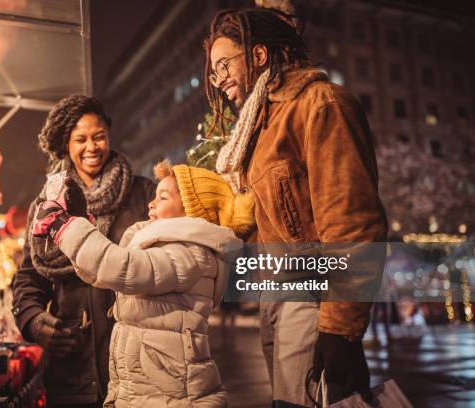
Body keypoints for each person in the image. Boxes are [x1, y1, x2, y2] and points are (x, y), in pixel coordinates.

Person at [204, 8, 388, 406]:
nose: (219, 81)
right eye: (213, 72)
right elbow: (270, 225)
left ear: (258, 55)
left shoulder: (320, 104)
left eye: (224, 65)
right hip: (276, 296)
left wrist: (340, 327)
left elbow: (351, 222)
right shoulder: (260, 126)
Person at [31, 161, 256, 407]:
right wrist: (77, 223)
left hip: (172, 394)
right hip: (149, 387)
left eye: (163, 197)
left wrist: (64, 228)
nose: (151, 203)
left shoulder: (189, 254)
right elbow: (102, 270)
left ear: (191, 211)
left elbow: (124, 267)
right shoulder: (167, 246)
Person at [11, 95, 155, 407]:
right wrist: (35, 321)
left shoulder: (143, 194)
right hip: (73, 367)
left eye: (99, 136)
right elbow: (27, 280)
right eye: (81, 139)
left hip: (138, 363)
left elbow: (161, 265)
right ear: (66, 145)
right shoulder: (46, 207)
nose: (91, 147)